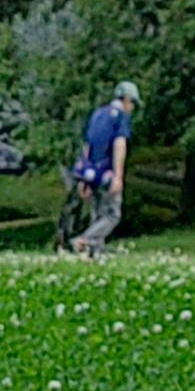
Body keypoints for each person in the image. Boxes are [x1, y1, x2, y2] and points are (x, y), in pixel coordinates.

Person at [64, 81, 139, 258]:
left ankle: (95, 254)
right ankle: (85, 240)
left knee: (97, 213)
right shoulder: (120, 117)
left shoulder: (97, 114)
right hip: (107, 173)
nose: (133, 107)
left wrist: (84, 178)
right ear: (126, 99)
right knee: (112, 215)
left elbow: (87, 145)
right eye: (133, 103)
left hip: (91, 171)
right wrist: (118, 176)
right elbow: (119, 145)